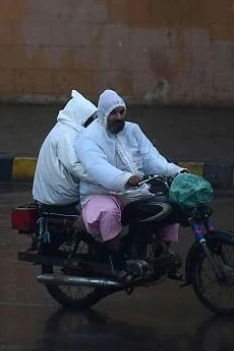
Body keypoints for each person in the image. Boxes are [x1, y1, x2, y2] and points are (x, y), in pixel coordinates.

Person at [75, 89, 186, 282]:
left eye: (121, 112)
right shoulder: (89, 138)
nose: (119, 117)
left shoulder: (132, 130)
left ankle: (161, 256)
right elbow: (98, 168)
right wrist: (125, 178)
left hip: (135, 192)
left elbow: (151, 158)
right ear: (103, 114)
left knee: (169, 205)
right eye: (113, 113)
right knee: (109, 212)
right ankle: (117, 264)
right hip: (101, 193)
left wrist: (175, 171)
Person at [32, 89, 97, 211]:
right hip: (58, 199)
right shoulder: (66, 134)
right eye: (89, 121)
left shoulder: (67, 130)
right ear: (79, 117)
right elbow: (75, 165)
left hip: (52, 196)